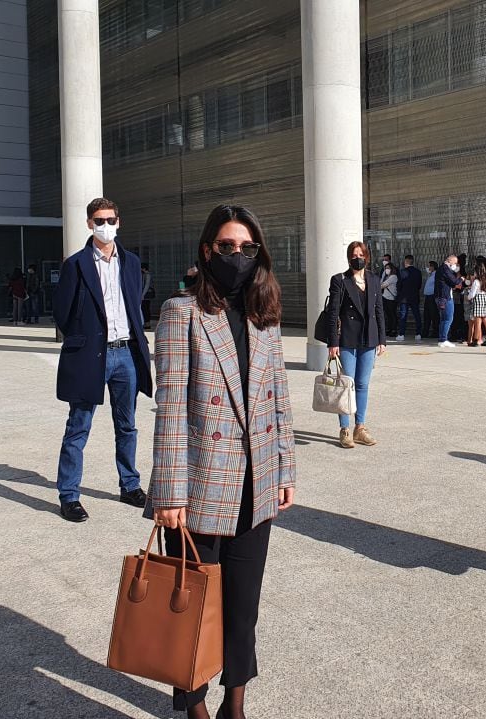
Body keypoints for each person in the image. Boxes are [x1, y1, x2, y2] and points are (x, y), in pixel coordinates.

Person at [148, 204, 296, 719]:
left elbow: (279, 400)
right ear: (207, 250)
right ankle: (195, 707)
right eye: (228, 246)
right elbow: (170, 406)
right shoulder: (181, 313)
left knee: (242, 608)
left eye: (247, 248)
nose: (238, 255)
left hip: (257, 483)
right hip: (200, 486)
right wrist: (169, 494)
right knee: (193, 605)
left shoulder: (264, 315)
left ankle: (236, 703)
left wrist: (285, 471)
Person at [52, 197, 152, 523]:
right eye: (99, 221)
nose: (105, 226)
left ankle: (130, 485)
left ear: (118, 222)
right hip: (90, 355)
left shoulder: (131, 262)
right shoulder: (75, 264)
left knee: (127, 425)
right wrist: (84, 339)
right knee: (78, 426)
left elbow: (135, 304)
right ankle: (69, 495)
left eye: (110, 220)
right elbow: (62, 313)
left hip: (126, 354)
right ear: (89, 224)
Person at [326, 241, 386, 448]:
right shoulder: (339, 280)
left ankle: (360, 427)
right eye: (354, 255)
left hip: (369, 338)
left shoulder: (374, 280)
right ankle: (344, 429)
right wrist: (333, 342)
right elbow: (333, 313)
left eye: (361, 255)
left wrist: (382, 339)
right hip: (346, 339)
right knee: (346, 384)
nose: (357, 258)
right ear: (348, 258)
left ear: (366, 257)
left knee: (362, 384)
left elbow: (379, 310)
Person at [434, 253, 463, 348]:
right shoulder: (445, 269)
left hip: (442, 296)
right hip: (445, 297)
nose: (455, 265)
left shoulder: (442, 269)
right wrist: (461, 279)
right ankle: (443, 339)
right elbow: (454, 281)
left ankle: (442, 339)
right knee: (448, 319)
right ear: (450, 261)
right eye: (455, 263)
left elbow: (449, 282)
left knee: (443, 319)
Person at [396, 254, 423, 341]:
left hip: (404, 297)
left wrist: (400, 293)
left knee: (403, 315)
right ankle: (418, 334)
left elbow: (399, 285)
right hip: (414, 296)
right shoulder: (418, 272)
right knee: (417, 315)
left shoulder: (402, 272)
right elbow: (419, 285)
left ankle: (401, 334)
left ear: (406, 262)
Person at [465, 261, 486, 347]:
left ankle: (476, 340)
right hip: (485, 299)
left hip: (477, 300)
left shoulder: (476, 281)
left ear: (477, 272)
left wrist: (468, 297)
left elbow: (472, 294)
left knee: (478, 321)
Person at [380, 260, 398, 339]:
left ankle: (393, 329)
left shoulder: (393, 277)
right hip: (385, 297)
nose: (386, 270)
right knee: (388, 315)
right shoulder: (386, 276)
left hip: (391, 298)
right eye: (385, 268)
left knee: (392, 314)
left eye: (388, 268)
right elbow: (381, 283)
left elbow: (383, 285)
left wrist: (381, 284)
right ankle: (389, 329)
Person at [422, 261, 439, 338]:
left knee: (433, 315)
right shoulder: (431, 275)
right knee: (427, 315)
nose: (428, 268)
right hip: (428, 297)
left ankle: (435, 332)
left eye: (429, 266)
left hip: (432, 297)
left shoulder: (436, 275)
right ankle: (425, 332)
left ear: (433, 267)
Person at [140, 262, 155, 329]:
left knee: (145, 308)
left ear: (143, 268)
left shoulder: (147, 275)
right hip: (145, 294)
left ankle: (147, 323)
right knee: (145, 308)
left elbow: (147, 285)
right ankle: (146, 323)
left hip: (147, 294)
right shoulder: (144, 274)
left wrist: (142, 295)